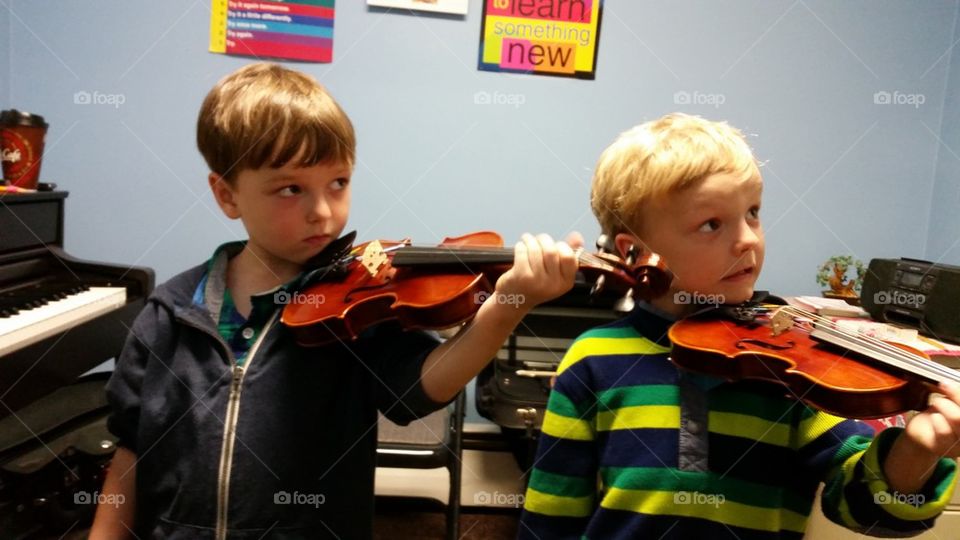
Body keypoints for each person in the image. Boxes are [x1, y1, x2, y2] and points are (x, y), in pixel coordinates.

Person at [89, 62, 579, 539]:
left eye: (338, 183)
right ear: (227, 194)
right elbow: (131, 451)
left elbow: (420, 390)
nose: (323, 212)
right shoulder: (168, 314)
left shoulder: (354, 309)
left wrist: (505, 307)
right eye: (290, 189)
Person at [519, 113, 960, 539]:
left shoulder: (787, 366)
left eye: (753, 212)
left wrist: (914, 454)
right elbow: (551, 515)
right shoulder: (593, 359)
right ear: (636, 252)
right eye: (712, 224)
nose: (749, 238)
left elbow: (862, 508)